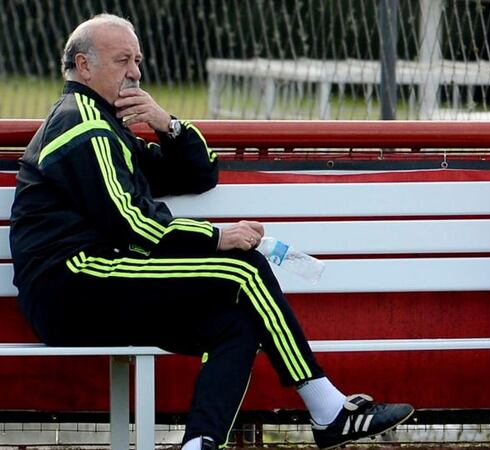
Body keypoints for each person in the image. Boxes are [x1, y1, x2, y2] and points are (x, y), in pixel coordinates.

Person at [10, 14, 413, 450]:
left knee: (236, 323)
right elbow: (136, 224)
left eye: (138, 60)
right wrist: (219, 237)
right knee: (241, 268)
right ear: (83, 66)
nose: (135, 72)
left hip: (102, 282)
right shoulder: (83, 125)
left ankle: (200, 444)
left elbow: (201, 173)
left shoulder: (106, 126)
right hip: (72, 285)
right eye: (123, 59)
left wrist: (169, 126)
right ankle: (327, 409)